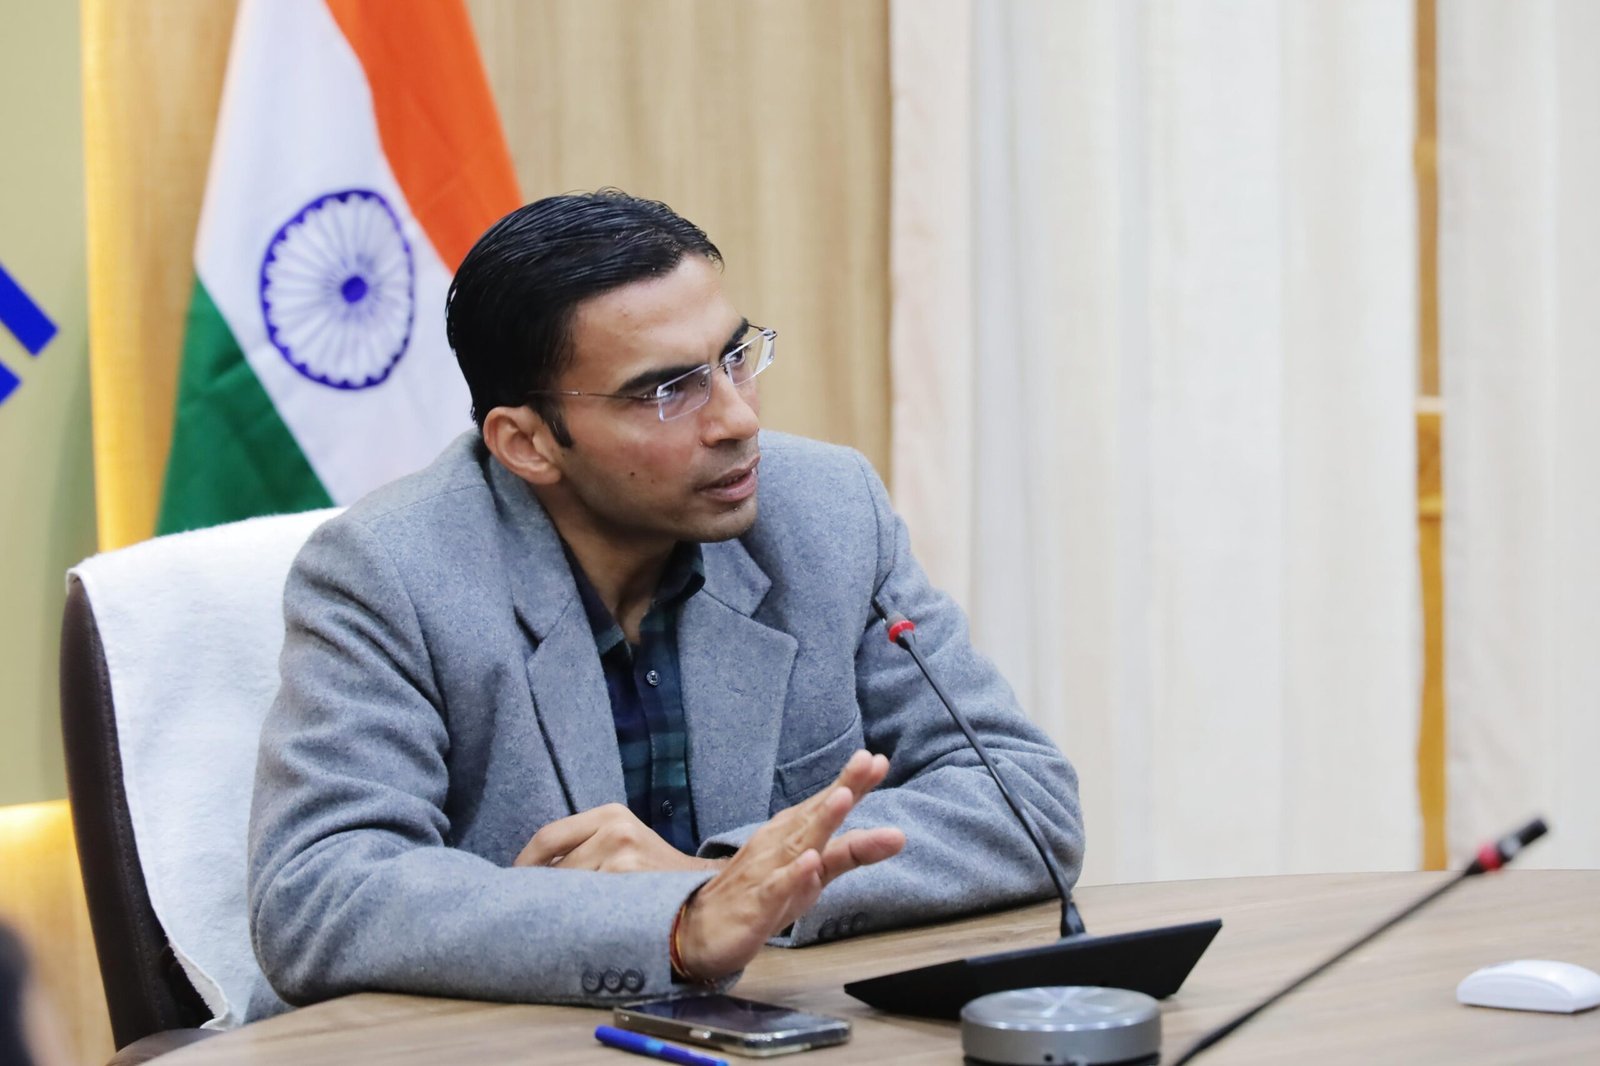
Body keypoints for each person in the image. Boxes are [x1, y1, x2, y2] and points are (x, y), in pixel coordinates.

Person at [247, 190, 1083, 1013]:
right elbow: (317, 896)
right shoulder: (389, 571)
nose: (737, 419)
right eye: (667, 391)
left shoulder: (826, 512)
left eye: (735, 357)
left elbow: (1024, 799)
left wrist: (723, 885)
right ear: (527, 443)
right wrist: (674, 925)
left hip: (758, 1027)